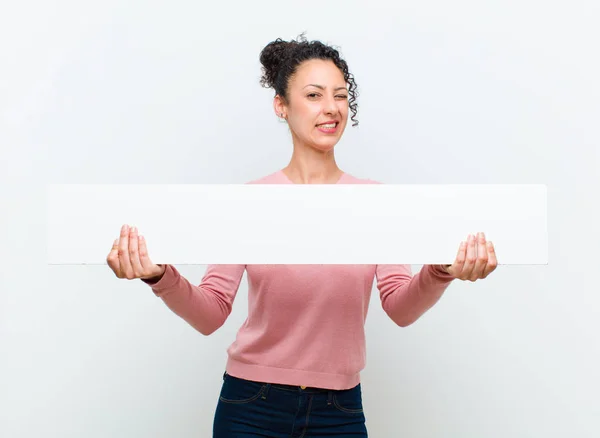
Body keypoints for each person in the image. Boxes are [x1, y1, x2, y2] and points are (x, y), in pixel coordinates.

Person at [106, 33, 497, 437]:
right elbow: (210, 313)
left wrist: (440, 272)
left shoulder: (376, 202)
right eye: (314, 95)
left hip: (339, 411)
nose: (331, 108)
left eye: (341, 96)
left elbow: (400, 308)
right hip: (249, 407)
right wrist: (158, 276)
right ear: (281, 105)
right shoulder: (250, 202)